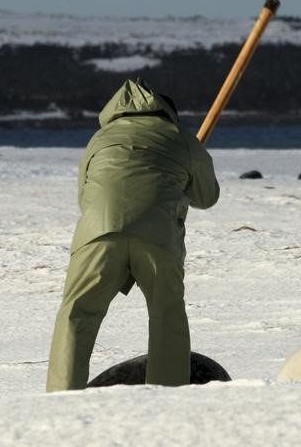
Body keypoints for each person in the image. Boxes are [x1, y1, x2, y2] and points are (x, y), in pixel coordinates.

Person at [47, 78, 220, 391]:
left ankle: (60, 396)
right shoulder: (180, 138)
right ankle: (166, 394)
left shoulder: (99, 139)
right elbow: (208, 196)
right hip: (157, 238)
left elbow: (85, 197)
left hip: (97, 234)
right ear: (168, 113)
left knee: (77, 315)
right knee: (167, 316)